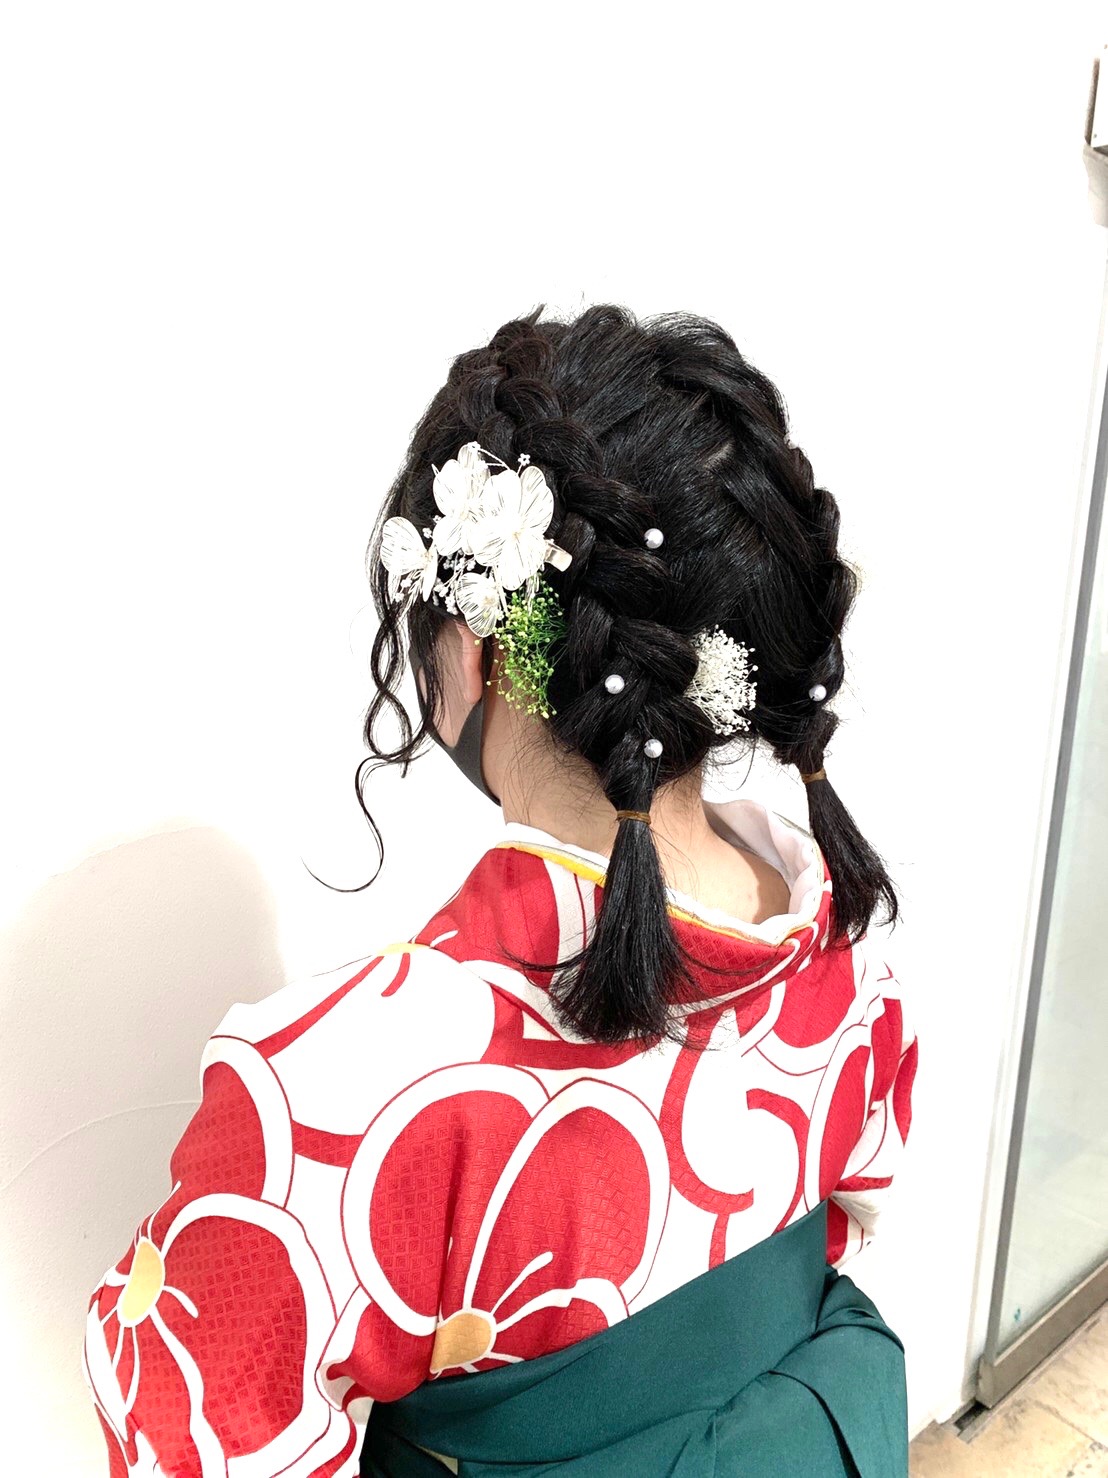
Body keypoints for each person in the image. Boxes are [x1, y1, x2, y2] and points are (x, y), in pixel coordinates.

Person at [82, 303, 918, 1476]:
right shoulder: (840, 938)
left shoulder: (336, 1090)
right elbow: (844, 1218)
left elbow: (195, 1436)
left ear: (477, 652)